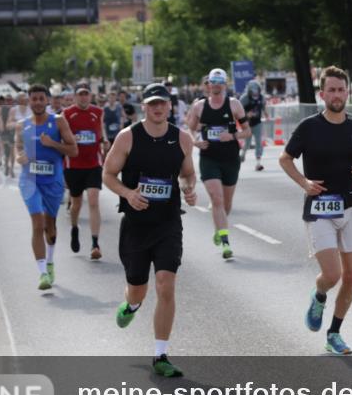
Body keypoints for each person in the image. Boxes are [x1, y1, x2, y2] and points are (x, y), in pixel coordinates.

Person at [103, 82, 198, 378]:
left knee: (166, 285)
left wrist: (189, 188)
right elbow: (107, 174)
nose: (158, 108)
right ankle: (130, 306)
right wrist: (128, 193)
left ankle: (160, 355)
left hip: (168, 222)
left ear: (170, 106)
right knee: (138, 291)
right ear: (143, 106)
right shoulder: (127, 137)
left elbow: (188, 173)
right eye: (152, 103)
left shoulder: (182, 138)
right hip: (135, 225)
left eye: (163, 103)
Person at [279, 67, 352, 355]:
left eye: (341, 90)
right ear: (322, 95)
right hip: (320, 207)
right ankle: (319, 294)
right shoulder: (309, 127)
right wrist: (304, 182)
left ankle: (334, 333)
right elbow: (285, 159)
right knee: (332, 275)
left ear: (348, 93)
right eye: (331, 90)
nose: (336, 95)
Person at [14, 85, 78, 290]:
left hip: (53, 181)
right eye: (34, 99)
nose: (38, 102)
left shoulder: (58, 122)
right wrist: (19, 157)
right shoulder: (21, 125)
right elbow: (17, 149)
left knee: (50, 226)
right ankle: (42, 273)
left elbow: (73, 150)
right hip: (29, 181)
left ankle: (50, 262)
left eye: (42, 98)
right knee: (38, 223)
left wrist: (52, 144)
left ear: (47, 101)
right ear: (28, 101)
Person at [184, 68, 250, 259]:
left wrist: (233, 135)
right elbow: (189, 129)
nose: (216, 85)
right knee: (217, 199)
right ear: (208, 85)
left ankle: (219, 228)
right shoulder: (199, 107)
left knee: (226, 203)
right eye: (213, 82)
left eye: (220, 82)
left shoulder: (234, 105)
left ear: (225, 84)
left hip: (230, 159)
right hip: (209, 158)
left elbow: (247, 131)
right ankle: (226, 243)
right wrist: (196, 140)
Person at [64, 82, 108, 260]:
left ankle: (95, 243)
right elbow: (61, 136)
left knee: (93, 201)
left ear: (90, 96)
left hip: (93, 164)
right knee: (76, 204)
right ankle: (74, 228)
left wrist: (105, 143)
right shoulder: (66, 114)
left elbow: (101, 131)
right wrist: (70, 139)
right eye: (80, 94)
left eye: (86, 94)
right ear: (75, 96)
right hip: (74, 165)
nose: (83, 97)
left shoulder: (97, 112)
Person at [240, 80, 266, 171]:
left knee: (259, 142)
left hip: (257, 122)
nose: (255, 92)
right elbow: (238, 111)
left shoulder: (262, 98)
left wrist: (266, 115)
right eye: (253, 90)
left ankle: (258, 163)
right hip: (247, 124)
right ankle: (243, 154)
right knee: (247, 143)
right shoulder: (244, 98)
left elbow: (263, 107)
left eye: (257, 90)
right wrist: (247, 114)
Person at [0, 95, 16, 178]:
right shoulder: (3, 109)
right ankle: (6, 166)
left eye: (10, 100)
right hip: (4, 132)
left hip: (13, 132)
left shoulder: (15, 109)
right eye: (7, 100)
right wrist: (0, 129)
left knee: (12, 152)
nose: (9, 101)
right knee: (6, 151)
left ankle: (11, 169)